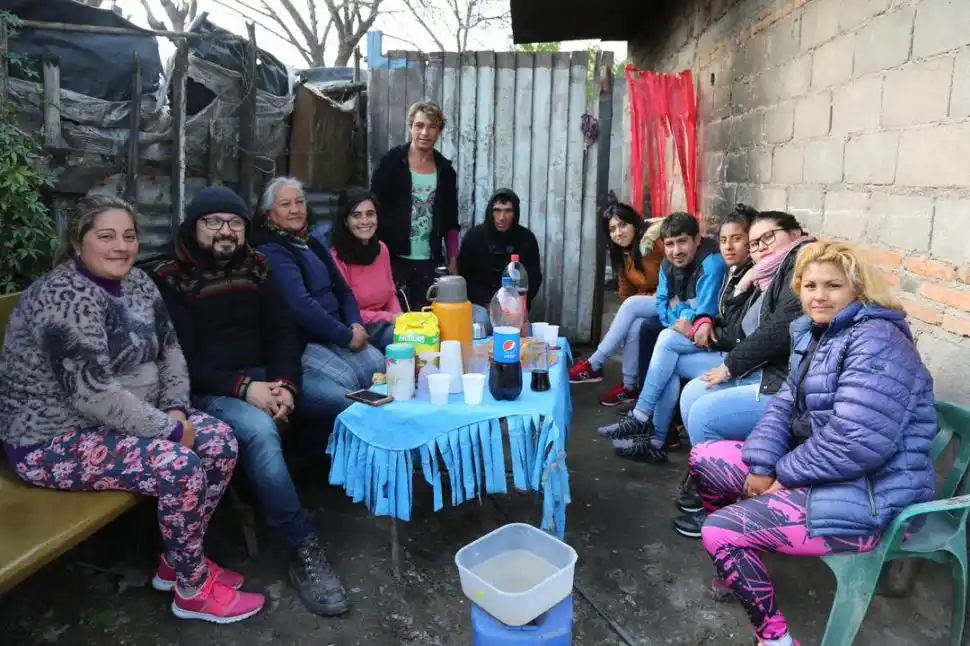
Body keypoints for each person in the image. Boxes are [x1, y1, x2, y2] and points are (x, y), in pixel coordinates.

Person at [0, 196, 265, 623]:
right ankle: (192, 590)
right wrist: (171, 431)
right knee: (178, 465)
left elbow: (171, 351)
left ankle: (178, 561)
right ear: (77, 242)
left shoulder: (139, 283)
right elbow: (93, 394)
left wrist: (176, 409)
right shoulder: (61, 297)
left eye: (129, 236)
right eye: (106, 236)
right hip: (50, 439)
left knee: (219, 441)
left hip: (124, 419)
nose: (121, 247)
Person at [687, 241, 937, 646]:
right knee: (704, 458)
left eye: (833, 286)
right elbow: (785, 403)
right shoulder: (816, 331)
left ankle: (777, 639)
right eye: (809, 285)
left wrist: (782, 477)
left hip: (875, 494)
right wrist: (763, 464)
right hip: (825, 475)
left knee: (720, 531)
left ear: (858, 289)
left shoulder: (877, 340)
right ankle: (739, 566)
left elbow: (855, 442)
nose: (819, 296)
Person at [147, 186, 352, 618]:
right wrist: (245, 389)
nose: (226, 231)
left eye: (235, 222)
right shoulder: (169, 276)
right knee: (260, 432)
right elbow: (181, 359)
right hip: (209, 390)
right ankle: (303, 547)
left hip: (267, 378)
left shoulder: (258, 266)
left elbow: (282, 333)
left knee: (340, 403)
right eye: (214, 222)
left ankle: (278, 484)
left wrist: (286, 386)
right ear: (193, 225)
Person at [671, 211, 814, 538]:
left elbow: (778, 331)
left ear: (795, 233)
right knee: (693, 392)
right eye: (755, 243)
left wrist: (730, 365)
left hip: (782, 382)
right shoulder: (765, 274)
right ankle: (705, 475)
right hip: (767, 370)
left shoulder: (800, 266)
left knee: (704, 412)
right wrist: (734, 293)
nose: (761, 247)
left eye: (768, 238)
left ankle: (718, 506)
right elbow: (740, 322)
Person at [600, 205, 757, 464]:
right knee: (663, 344)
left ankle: (641, 417)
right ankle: (657, 440)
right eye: (724, 240)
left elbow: (712, 316)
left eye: (737, 240)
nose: (676, 250)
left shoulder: (724, 268)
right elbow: (666, 306)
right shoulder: (736, 272)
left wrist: (691, 317)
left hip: (735, 356)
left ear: (697, 240)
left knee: (665, 339)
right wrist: (687, 314)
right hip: (716, 341)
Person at [570, 210, 726, 409]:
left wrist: (673, 306)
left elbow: (697, 305)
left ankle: (595, 363)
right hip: (668, 304)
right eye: (612, 229)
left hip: (684, 307)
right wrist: (669, 308)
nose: (619, 233)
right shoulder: (623, 253)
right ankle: (630, 387)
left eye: (623, 225)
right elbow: (632, 291)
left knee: (633, 306)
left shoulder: (653, 247)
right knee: (635, 322)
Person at [253, 177, 384, 389]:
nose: (295, 209)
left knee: (378, 363)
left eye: (300, 202)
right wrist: (346, 337)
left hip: (336, 330)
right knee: (346, 379)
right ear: (270, 214)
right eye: (285, 204)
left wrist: (355, 323)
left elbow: (344, 291)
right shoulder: (272, 249)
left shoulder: (311, 242)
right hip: (304, 339)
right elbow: (300, 306)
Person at [371, 101, 460, 309]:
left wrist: (453, 258)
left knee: (429, 318)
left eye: (432, 126)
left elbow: (451, 220)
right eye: (419, 125)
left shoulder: (445, 170)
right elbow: (373, 208)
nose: (425, 132)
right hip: (394, 258)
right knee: (399, 319)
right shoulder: (392, 163)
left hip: (431, 260)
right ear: (411, 127)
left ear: (439, 131)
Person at [457, 187, 542, 332]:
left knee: (523, 332)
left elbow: (534, 278)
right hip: (481, 304)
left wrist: (515, 303)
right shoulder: (474, 237)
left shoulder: (526, 239)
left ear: (515, 213)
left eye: (508, 211)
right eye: (497, 210)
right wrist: (488, 302)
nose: (502, 217)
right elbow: (465, 277)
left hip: (514, 305)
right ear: (490, 212)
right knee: (483, 324)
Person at [329, 187, 402, 351]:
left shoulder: (381, 249)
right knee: (405, 341)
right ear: (345, 221)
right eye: (356, 215)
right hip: (358, 329)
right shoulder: (335, 256)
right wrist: (389, 318)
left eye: (370, 214)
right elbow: (344, 309)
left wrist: (401, 319)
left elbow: (390, 295)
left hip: (386, 324)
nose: (365, 221)